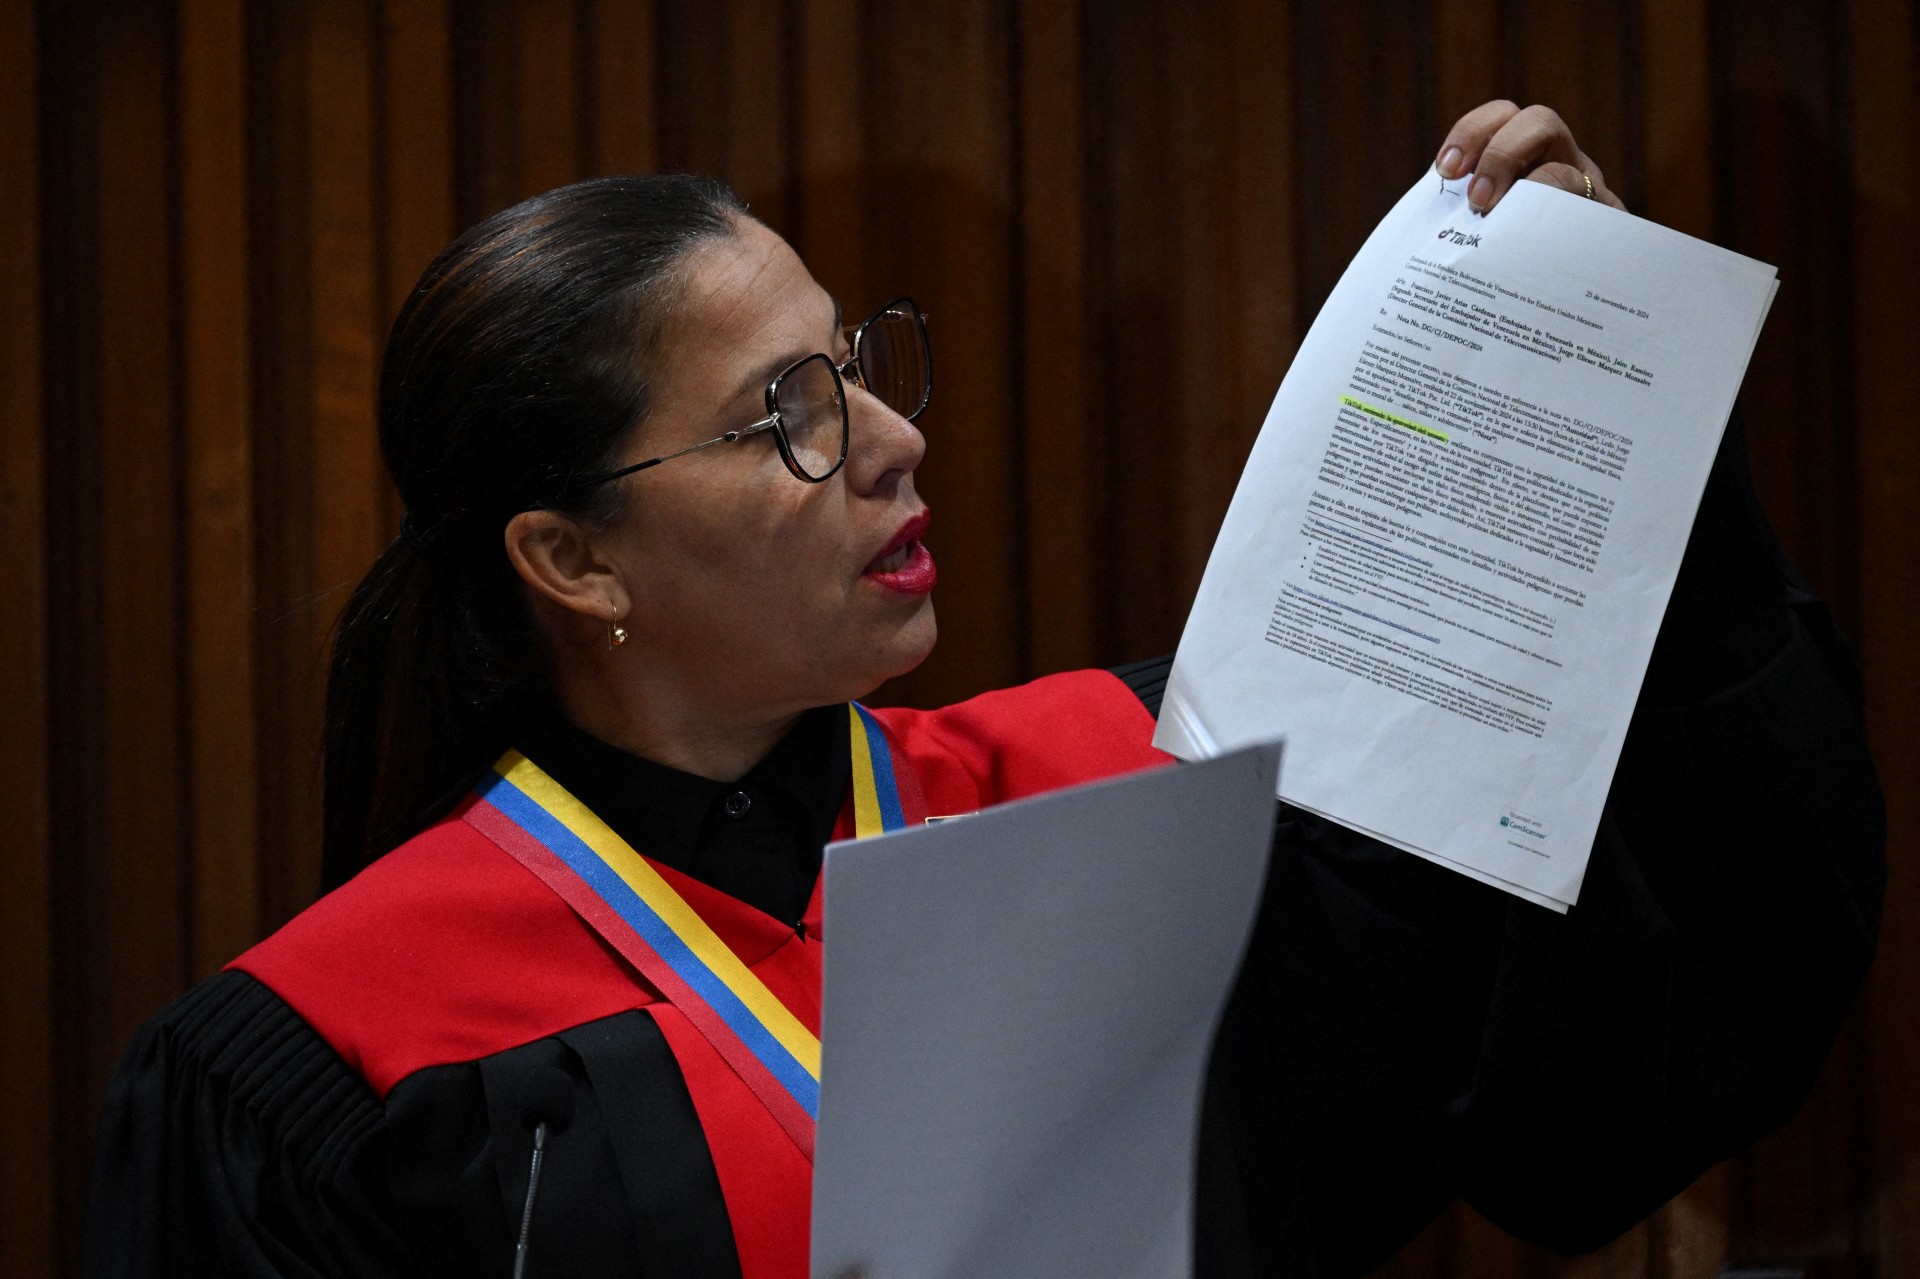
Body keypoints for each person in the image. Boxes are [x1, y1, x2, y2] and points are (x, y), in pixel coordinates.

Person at [86, 102, 1882, 1278]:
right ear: (573, 560)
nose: (893, 439)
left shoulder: (1143, 783)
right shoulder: (334, 1061)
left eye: (857, 363)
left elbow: (1634, 1057)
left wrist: (1591, 351)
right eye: (788, 415)